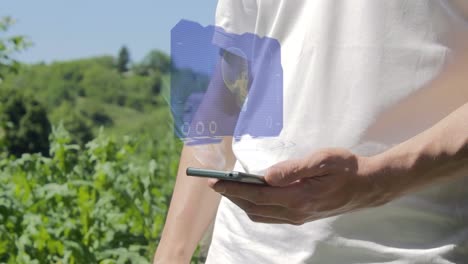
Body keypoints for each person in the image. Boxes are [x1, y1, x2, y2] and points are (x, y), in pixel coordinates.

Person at [154, 0, 468, 263]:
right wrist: (171, 254)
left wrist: (379, 181)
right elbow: (228, 89)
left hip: (414, 250)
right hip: (242, 250)